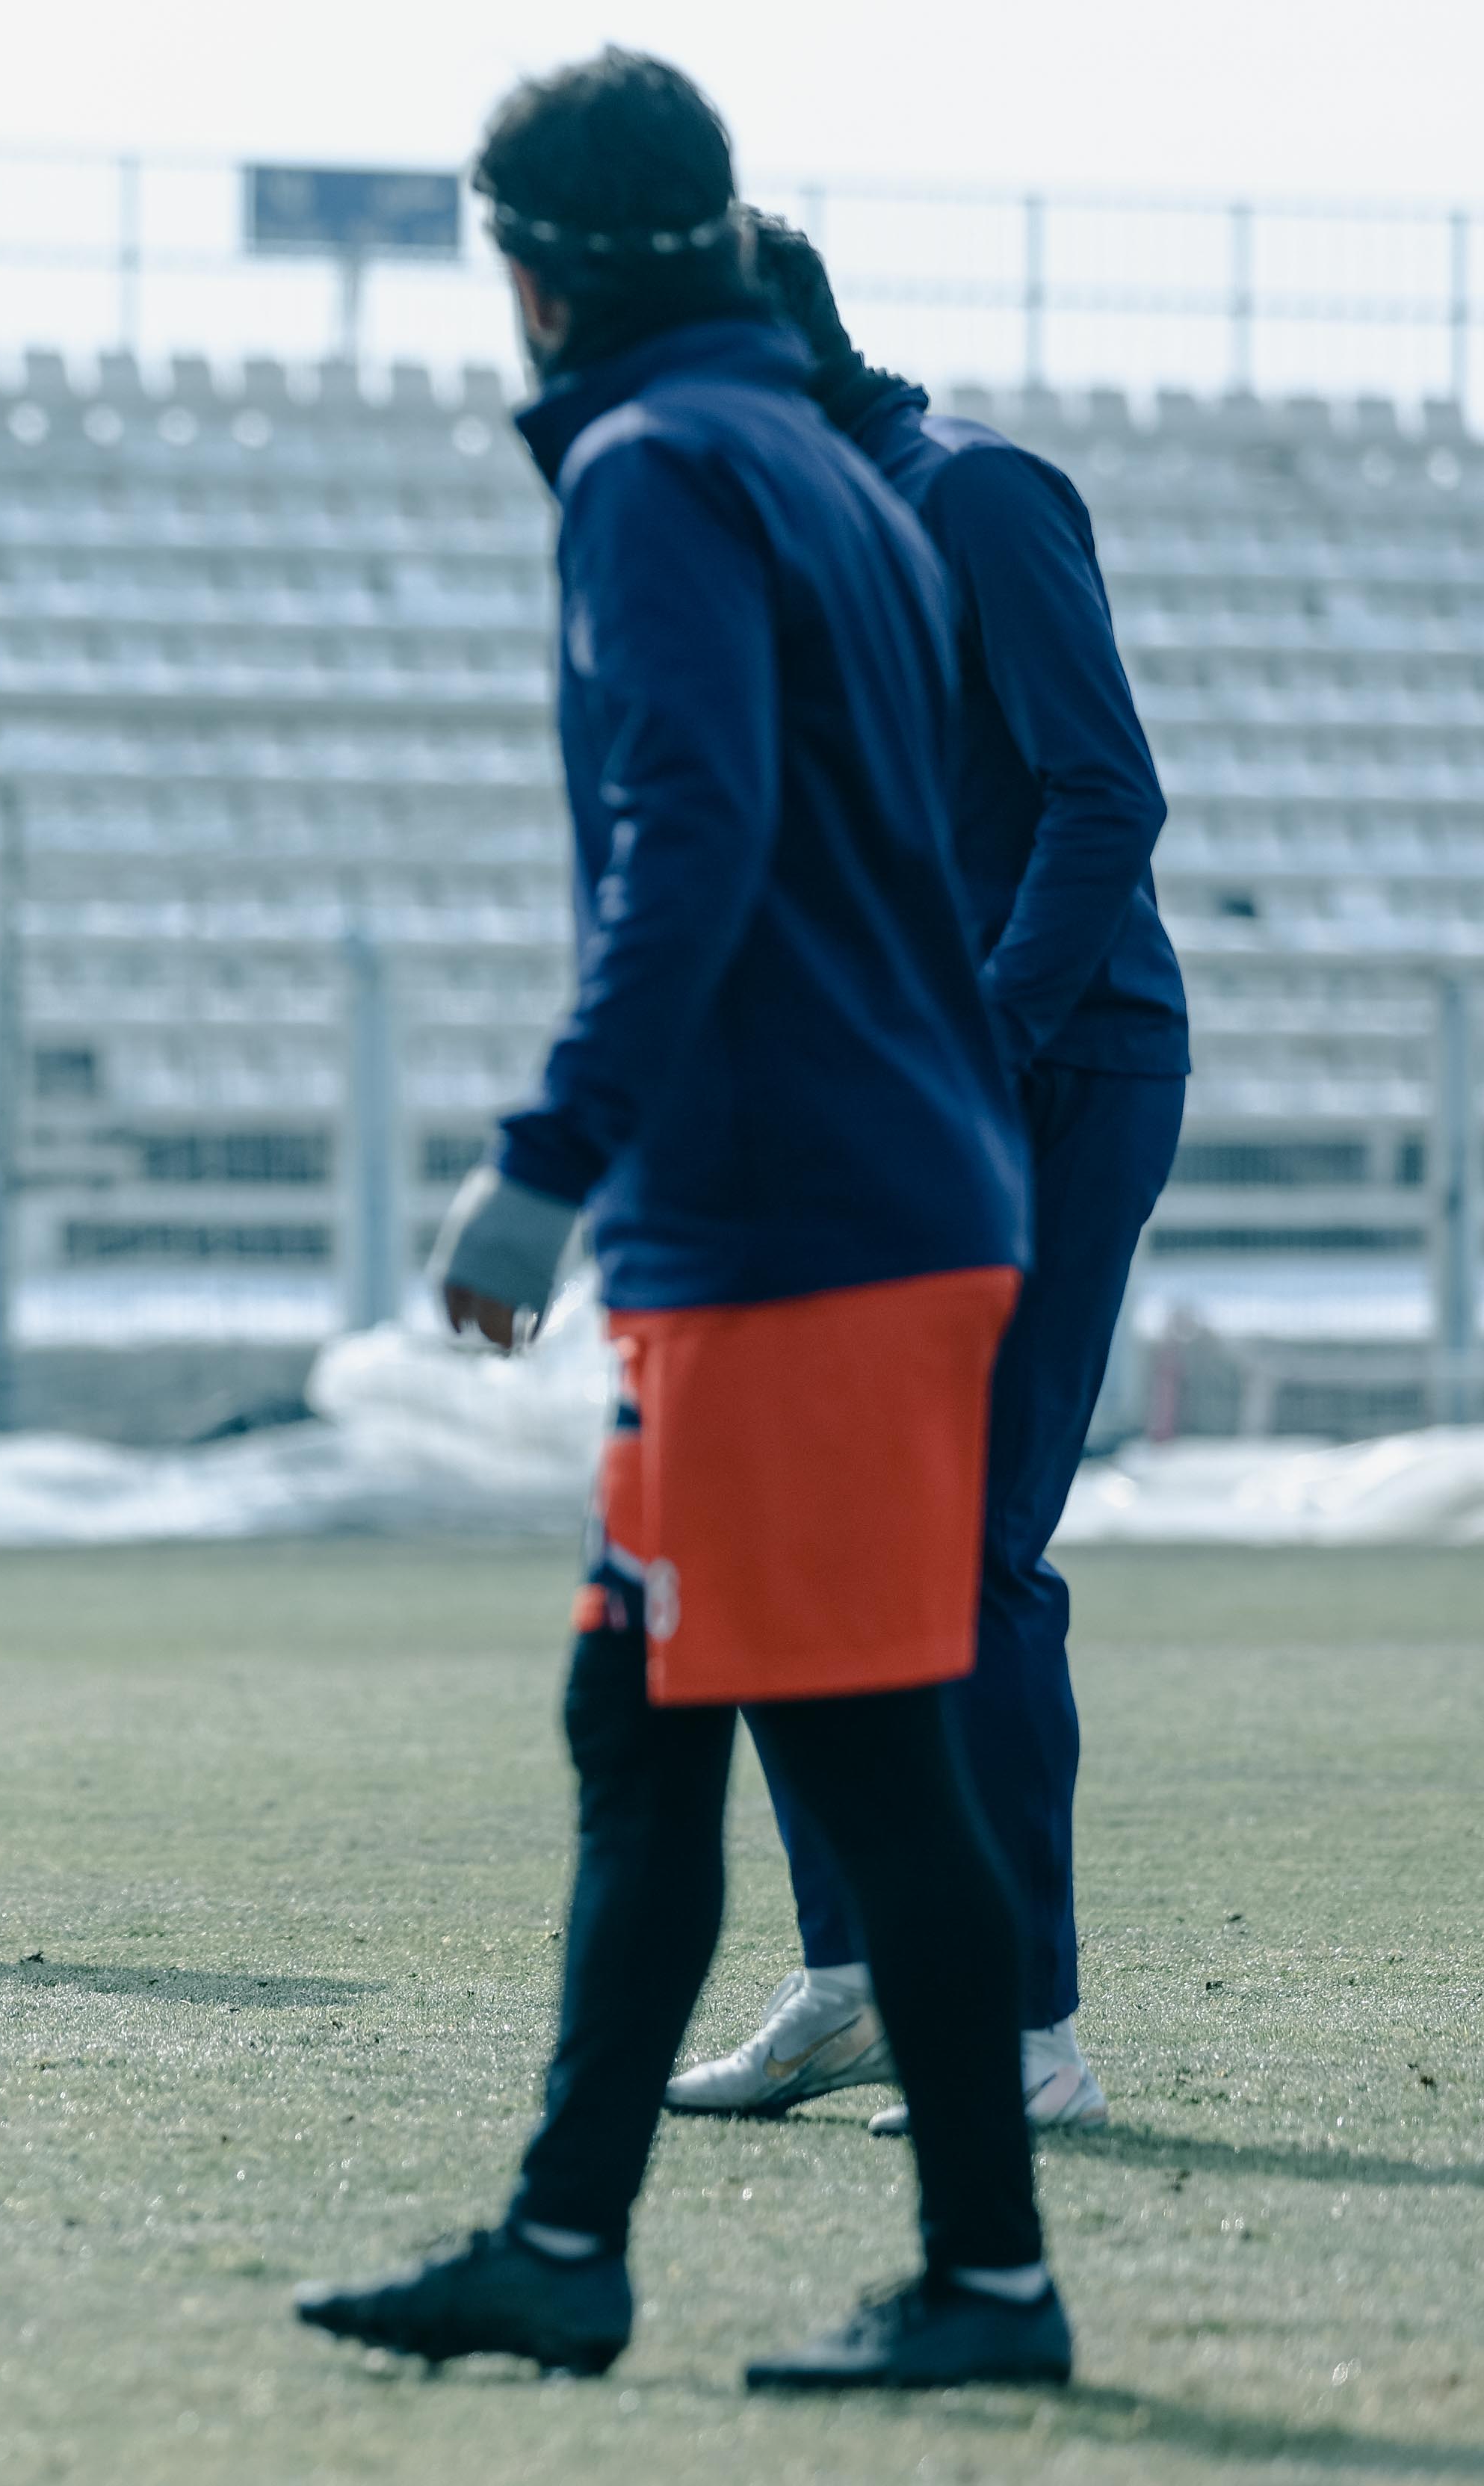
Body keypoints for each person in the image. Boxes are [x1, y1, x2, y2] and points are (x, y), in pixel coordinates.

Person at [289, 52, 1071, 2391]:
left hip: (790, 1220)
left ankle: (986, 2285)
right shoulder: (835, 469)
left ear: (531, 274)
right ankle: (564, 2242)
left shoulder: (653, 468)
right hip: (874, 1189)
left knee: (867, 1759)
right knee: (639, 1719)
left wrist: (550, 1158)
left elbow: (694, 831)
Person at [665, 217, 1187, 2139]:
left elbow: (1104, 794)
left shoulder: (978, 495)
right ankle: (861, 1974)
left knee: (962, 1550)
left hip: (1056, 1076)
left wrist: (969, 1041)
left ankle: (1029, 2026)